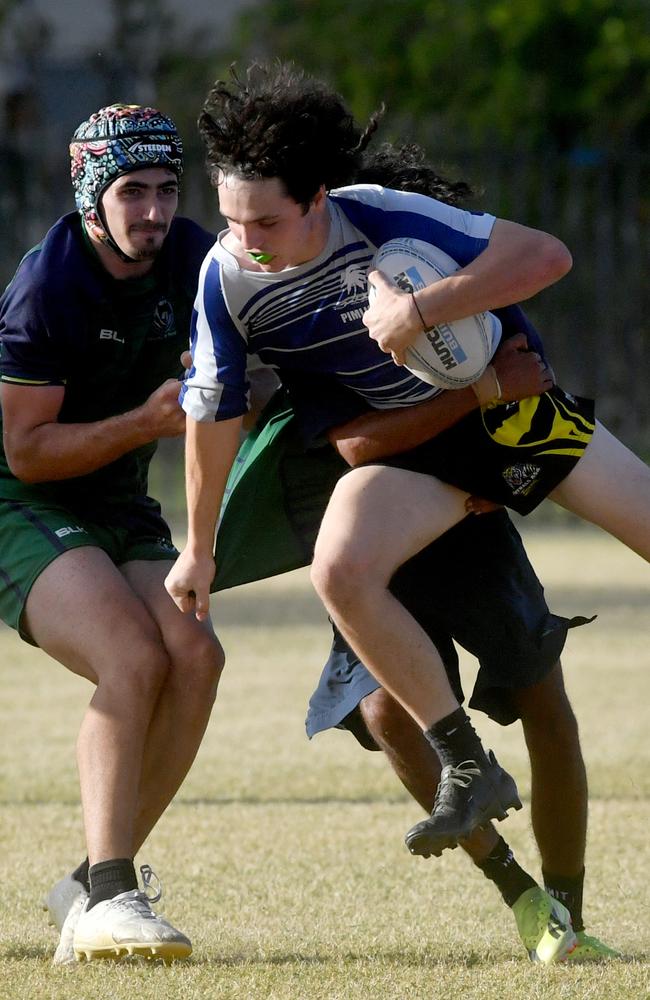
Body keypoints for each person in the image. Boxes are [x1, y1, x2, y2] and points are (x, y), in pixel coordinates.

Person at [166, 60, 647, 863]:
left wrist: (417, 310)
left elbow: (546, 256)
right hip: (415, 447)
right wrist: (199, 547)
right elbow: (212, 415)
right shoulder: (227, 277)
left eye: (266, 223)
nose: (244, 241)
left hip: (514, 415)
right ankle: (466, 764)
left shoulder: (381, 218)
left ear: (318, 196)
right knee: (340, 568)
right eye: (230, 219)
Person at [0, 104, 224, 965]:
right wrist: (140, 423)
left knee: (196, 659)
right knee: (132, 657)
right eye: (133, 191)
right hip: (17, 499)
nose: (155, 212)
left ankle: (90, 885)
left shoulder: (194, 258)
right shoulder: (48, 286)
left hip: (116, 501)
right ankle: (112, 895)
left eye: (168, 190)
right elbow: (23, 451)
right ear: (92, 195)